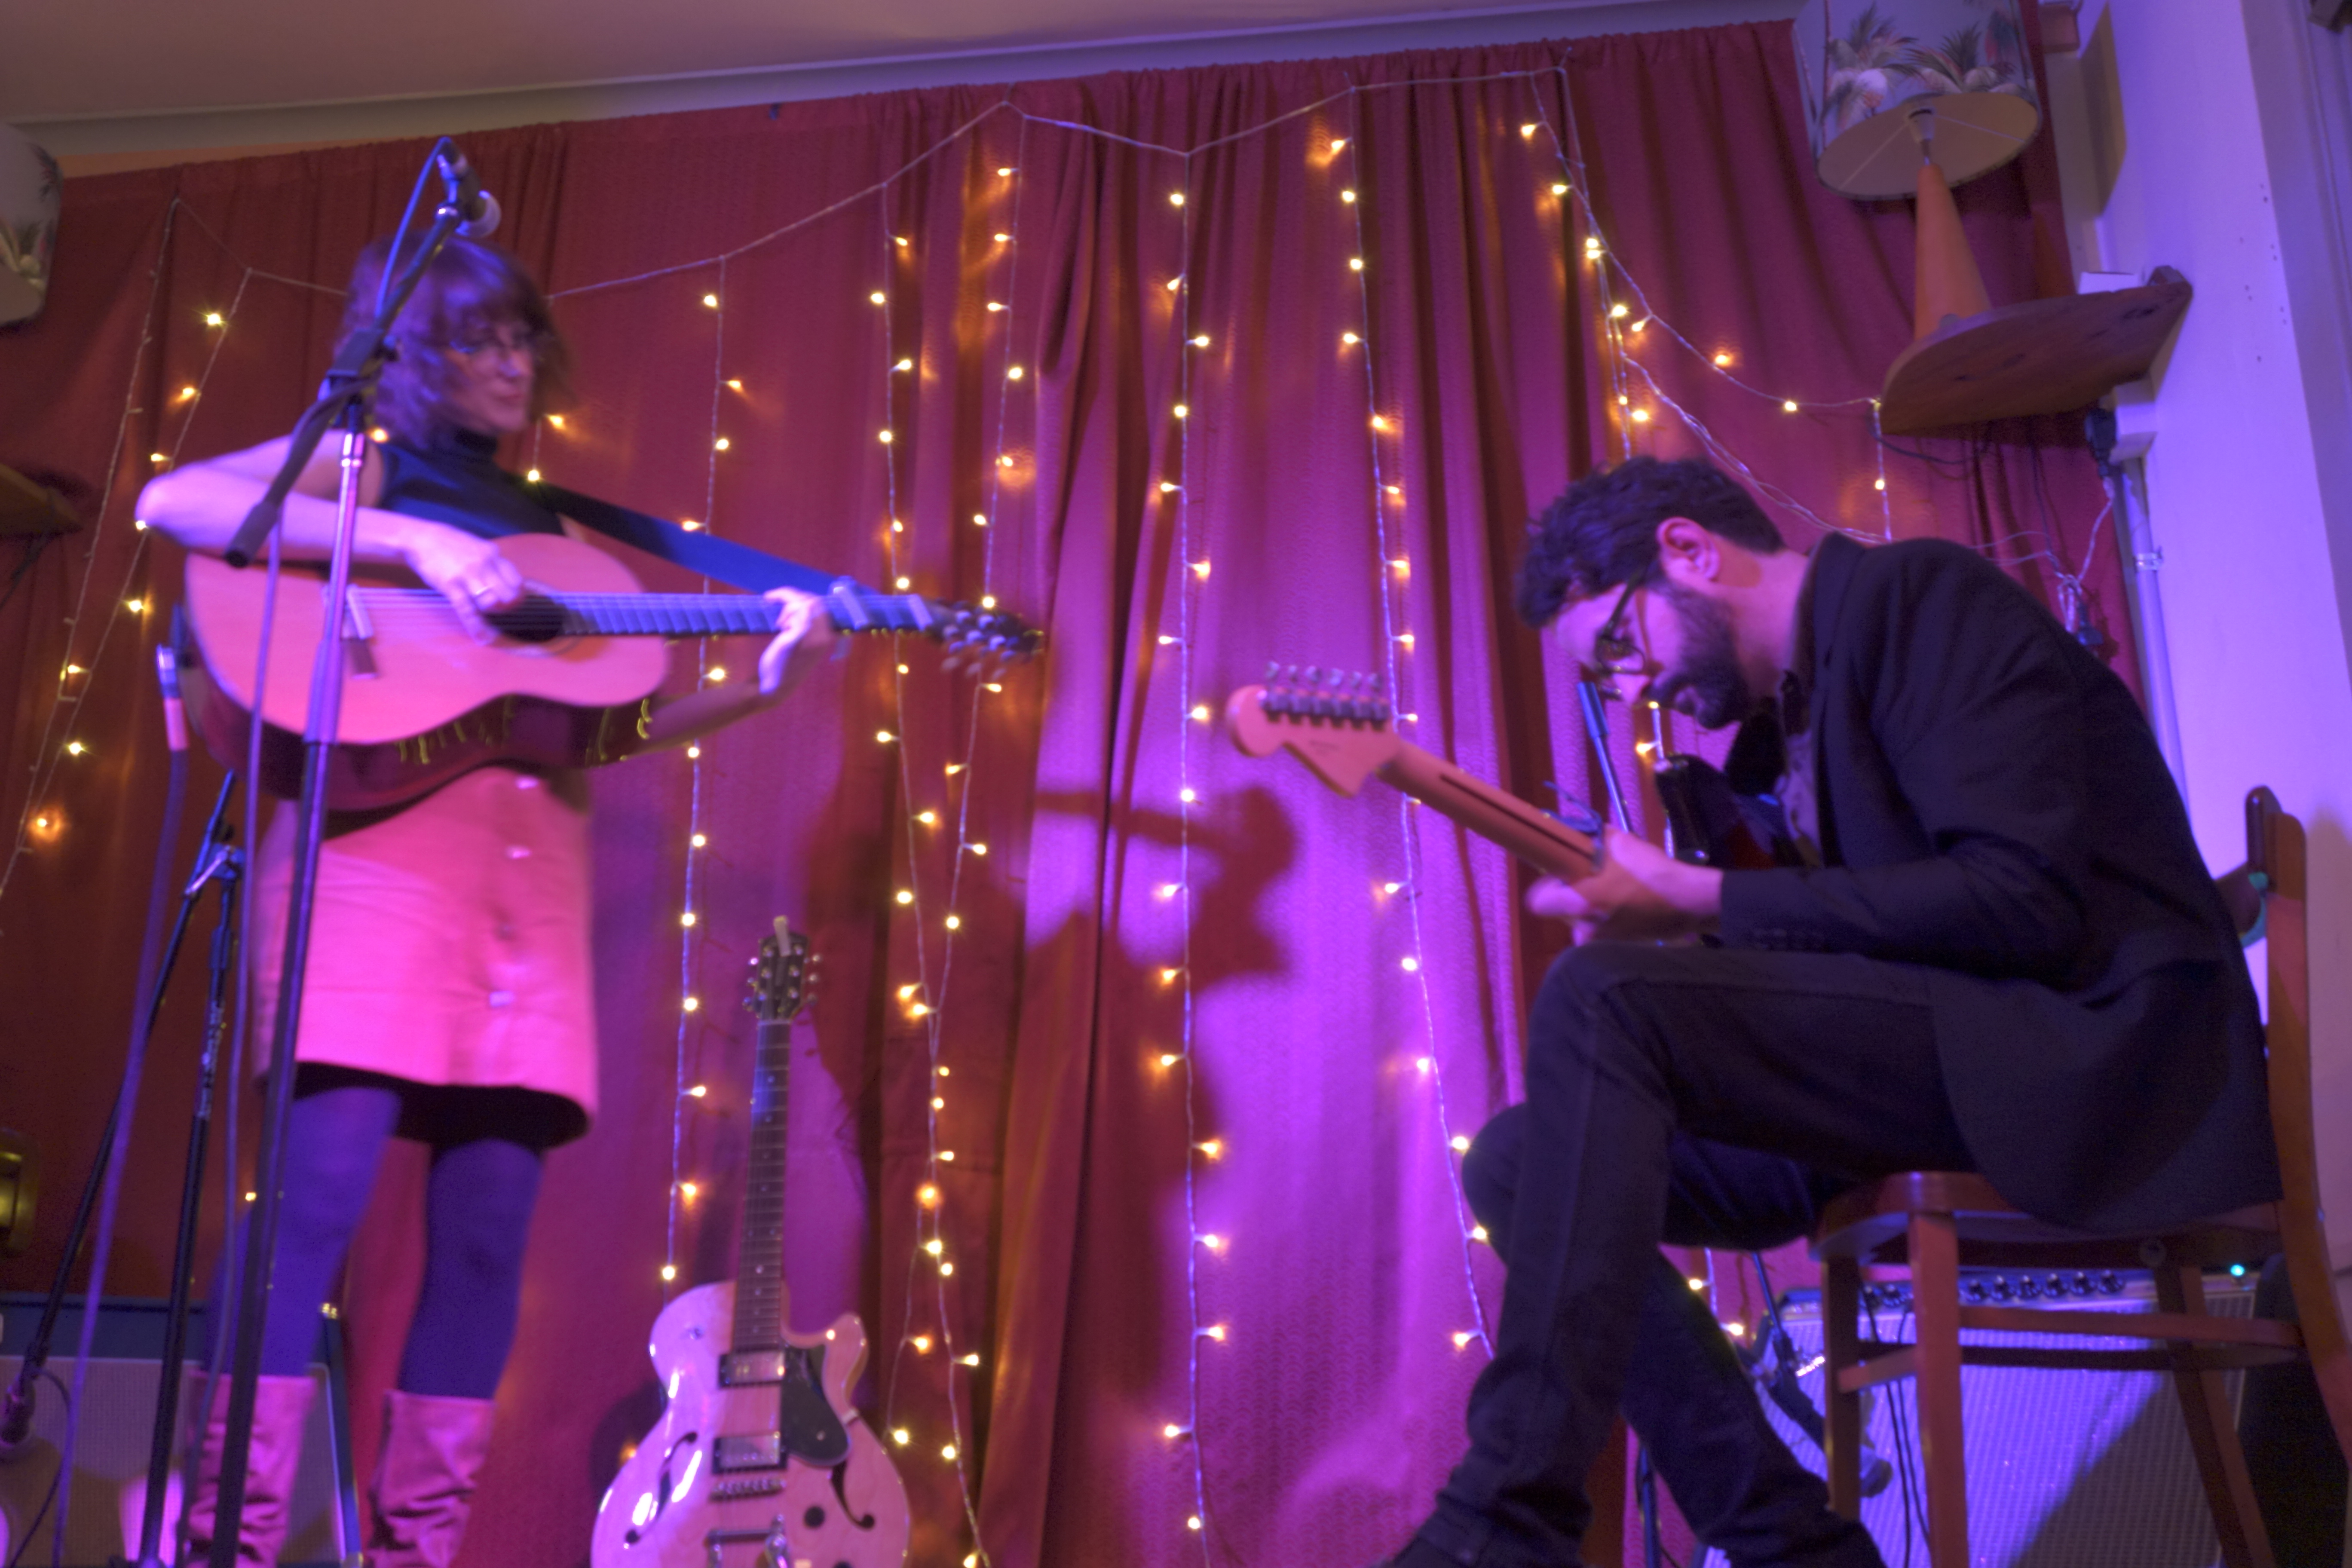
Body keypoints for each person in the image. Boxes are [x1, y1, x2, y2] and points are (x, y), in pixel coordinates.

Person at [1383, 456, 2280, 1568]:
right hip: (1950, 1061)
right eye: (1605, 677)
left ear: (1688, 551)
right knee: (1516, 1159)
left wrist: (1706, 900)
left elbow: (2023, 903)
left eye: (1618, 644)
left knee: (1599, 993)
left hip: (2084, 1054)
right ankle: (1789, 1544)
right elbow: (1868, 940)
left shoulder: (1920, 600)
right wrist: (1707, 943)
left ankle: (1503, 1519)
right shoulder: (1784, 729)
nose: (1630, 692)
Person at [138, 233, 835, 1568]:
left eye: (521, 338)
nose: (510, 364)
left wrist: (764, 687)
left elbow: (604, 728)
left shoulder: (561, 544)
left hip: (524, 928)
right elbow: (177, 501)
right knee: (312, 1216)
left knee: (484, 1248)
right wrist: (416, 542)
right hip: (370, 889)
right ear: (409, 354)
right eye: (476, 339)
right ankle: (228, 1542)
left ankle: (417, 1554)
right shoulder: (366, 467)